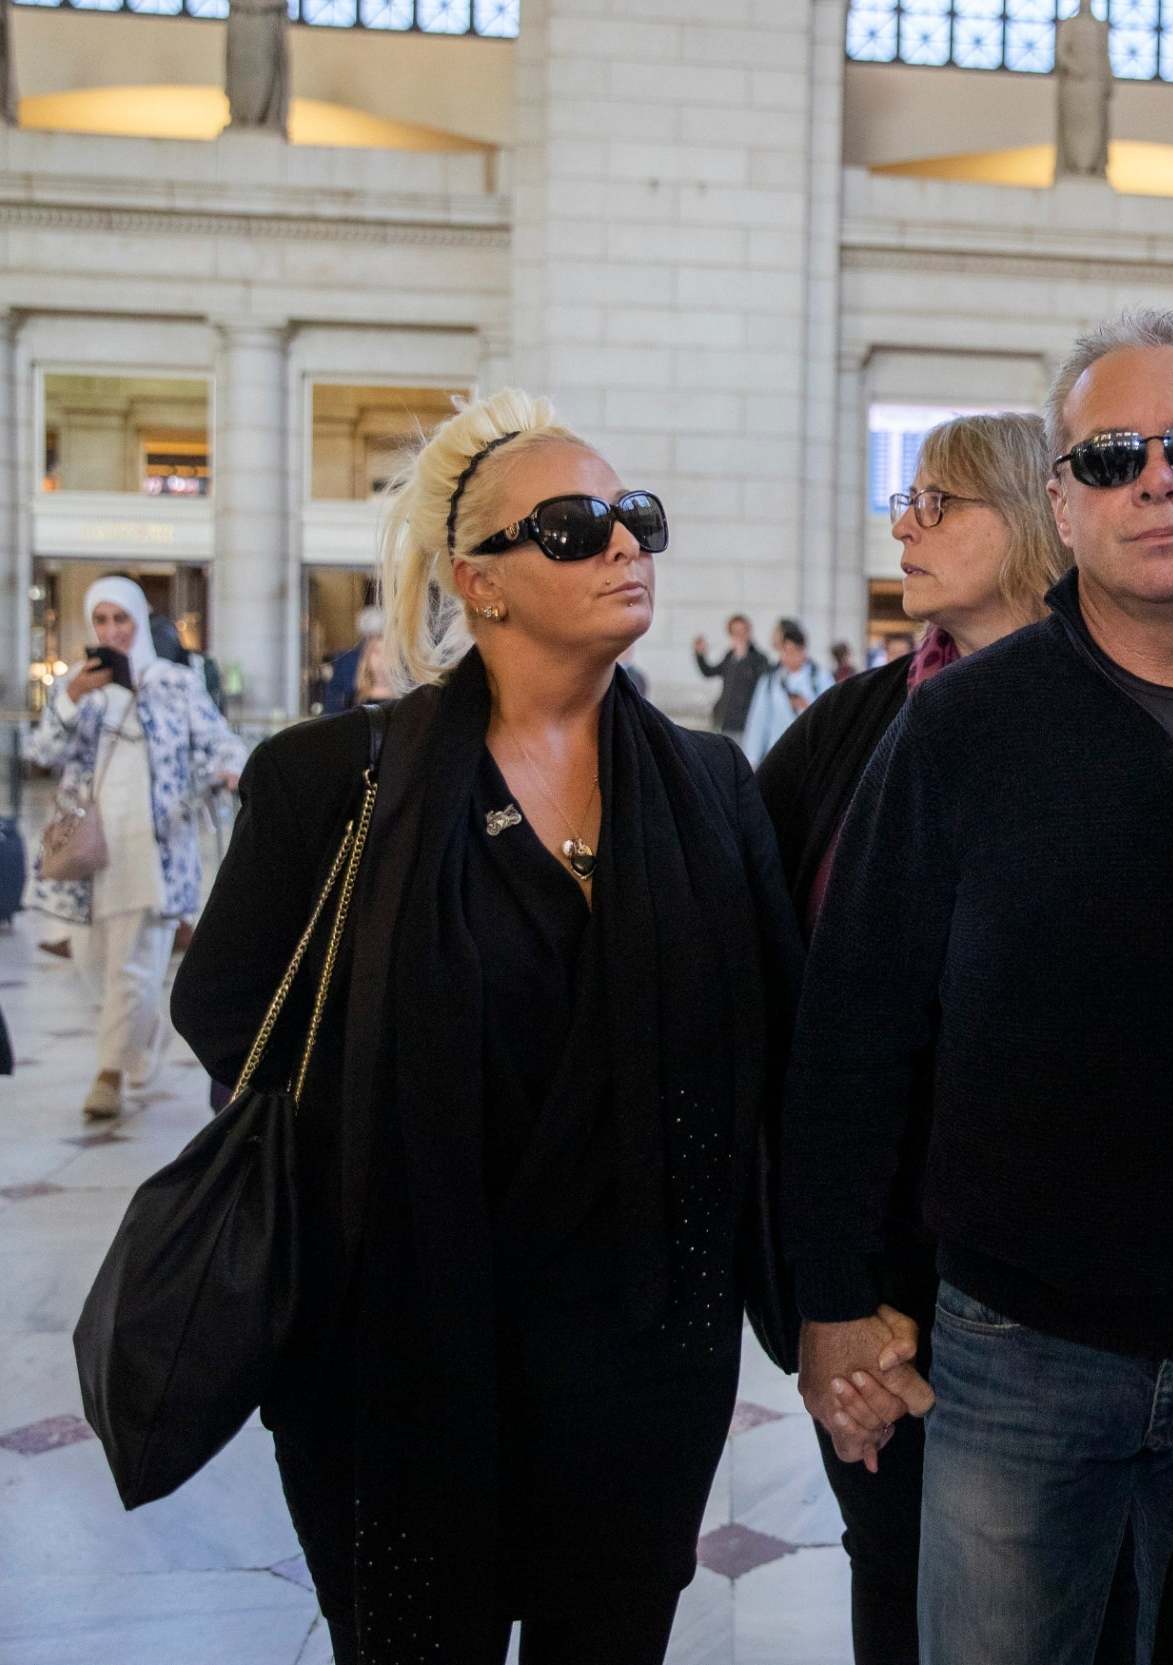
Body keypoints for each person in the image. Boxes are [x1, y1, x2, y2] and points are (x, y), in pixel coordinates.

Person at [171, 389, 802, 1665]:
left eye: (636, 519)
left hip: (641, 1362)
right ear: (482, 582)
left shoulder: (710, 787)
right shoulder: (330, 783)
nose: (625, 545)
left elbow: (774, 1046)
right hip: (397, 1357)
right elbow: (227, 1004)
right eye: (575, 528)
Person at [782, 310, 1173, 1665]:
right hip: (1017, 1348)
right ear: (1062, 504)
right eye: (1112, 457)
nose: (1158, 479)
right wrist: (831, 1296)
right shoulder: (962, 728)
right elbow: (856, 1022)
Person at [755, 410, 1071, 1665]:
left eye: (943, 502)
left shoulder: (1114, 711)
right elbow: (786, 995)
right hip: (875, 1276)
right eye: (906, 500)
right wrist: (830, 1299)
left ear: (1037, 518)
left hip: (1052, 1280)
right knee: (893, 1573)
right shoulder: (854, 723)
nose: (907, 525)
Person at [28, 576, 245, 1118]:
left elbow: (220, 741)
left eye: (120, 619)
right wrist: (72, 700)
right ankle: (135, 1040)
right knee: (90, 963)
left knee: (135, 964)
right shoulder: (78, 685)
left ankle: (108, 1074)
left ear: (138, 622)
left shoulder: (173, 681)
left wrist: (229, 770)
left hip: (155, 844)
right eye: (100, 621)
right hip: (87, 845)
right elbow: (42, 752)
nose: (111, 631)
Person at [739, 617, 831, 766]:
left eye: (793, 651)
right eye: (785, 651)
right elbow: (758, 720)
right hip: (775, 756)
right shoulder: (769, 681)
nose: (789, 657)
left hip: (809, 758)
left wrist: (806, 706)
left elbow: (830, 716)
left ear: (802, 650)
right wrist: (751, 759)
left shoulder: (820, 678)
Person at [695, 612, 769, 736]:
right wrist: (700, 655)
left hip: (746, 723)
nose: (740, 636)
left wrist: (744, 658)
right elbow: (709, 672)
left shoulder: (759, 658)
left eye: (743, 632)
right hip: (725, 721)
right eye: (735, 632)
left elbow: (760, 681)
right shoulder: (730, 656)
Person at [322, 606, 384, 714]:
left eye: (378, 636)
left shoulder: (345, 660)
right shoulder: (347, 661)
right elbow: (333, 700)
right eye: (371, 636)